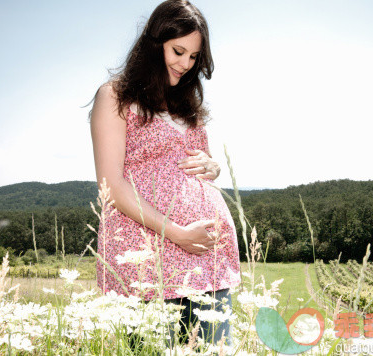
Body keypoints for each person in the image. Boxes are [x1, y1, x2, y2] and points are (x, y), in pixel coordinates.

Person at [89, 0, 241, 348]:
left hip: (208, 258)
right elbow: (110, 183)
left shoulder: (188, 105)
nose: (185, 64)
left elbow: (199, 162)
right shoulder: (114, 96)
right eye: (178, 51)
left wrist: (213, 167)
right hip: (147, 257)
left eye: (193, 57)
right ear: (154, 41)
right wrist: (176, 233)